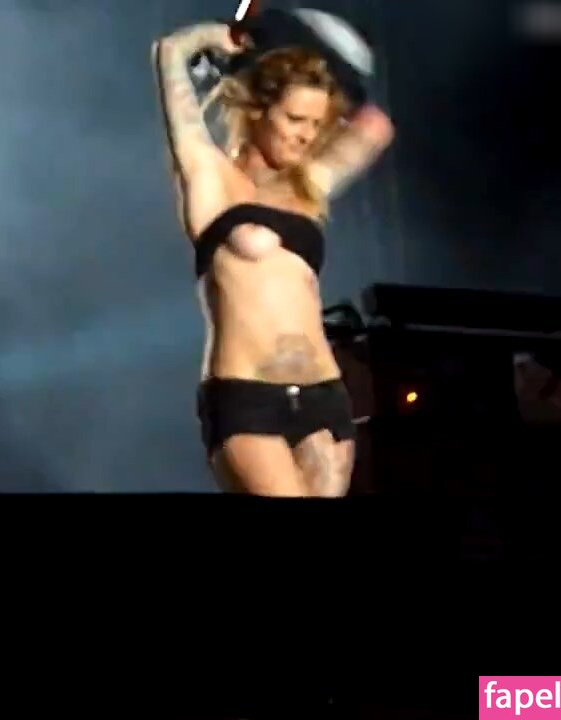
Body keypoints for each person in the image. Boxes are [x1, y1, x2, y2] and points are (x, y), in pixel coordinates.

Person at [152, 14, 394, 496]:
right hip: (247, 399)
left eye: (316, 124)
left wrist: (319, 51)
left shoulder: (309, 187)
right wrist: (220, 40)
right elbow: (168, 52)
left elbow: (375, 127)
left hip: (324, 397)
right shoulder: (209, 178)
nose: (306, 135)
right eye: (294, 119)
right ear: (257, 110)